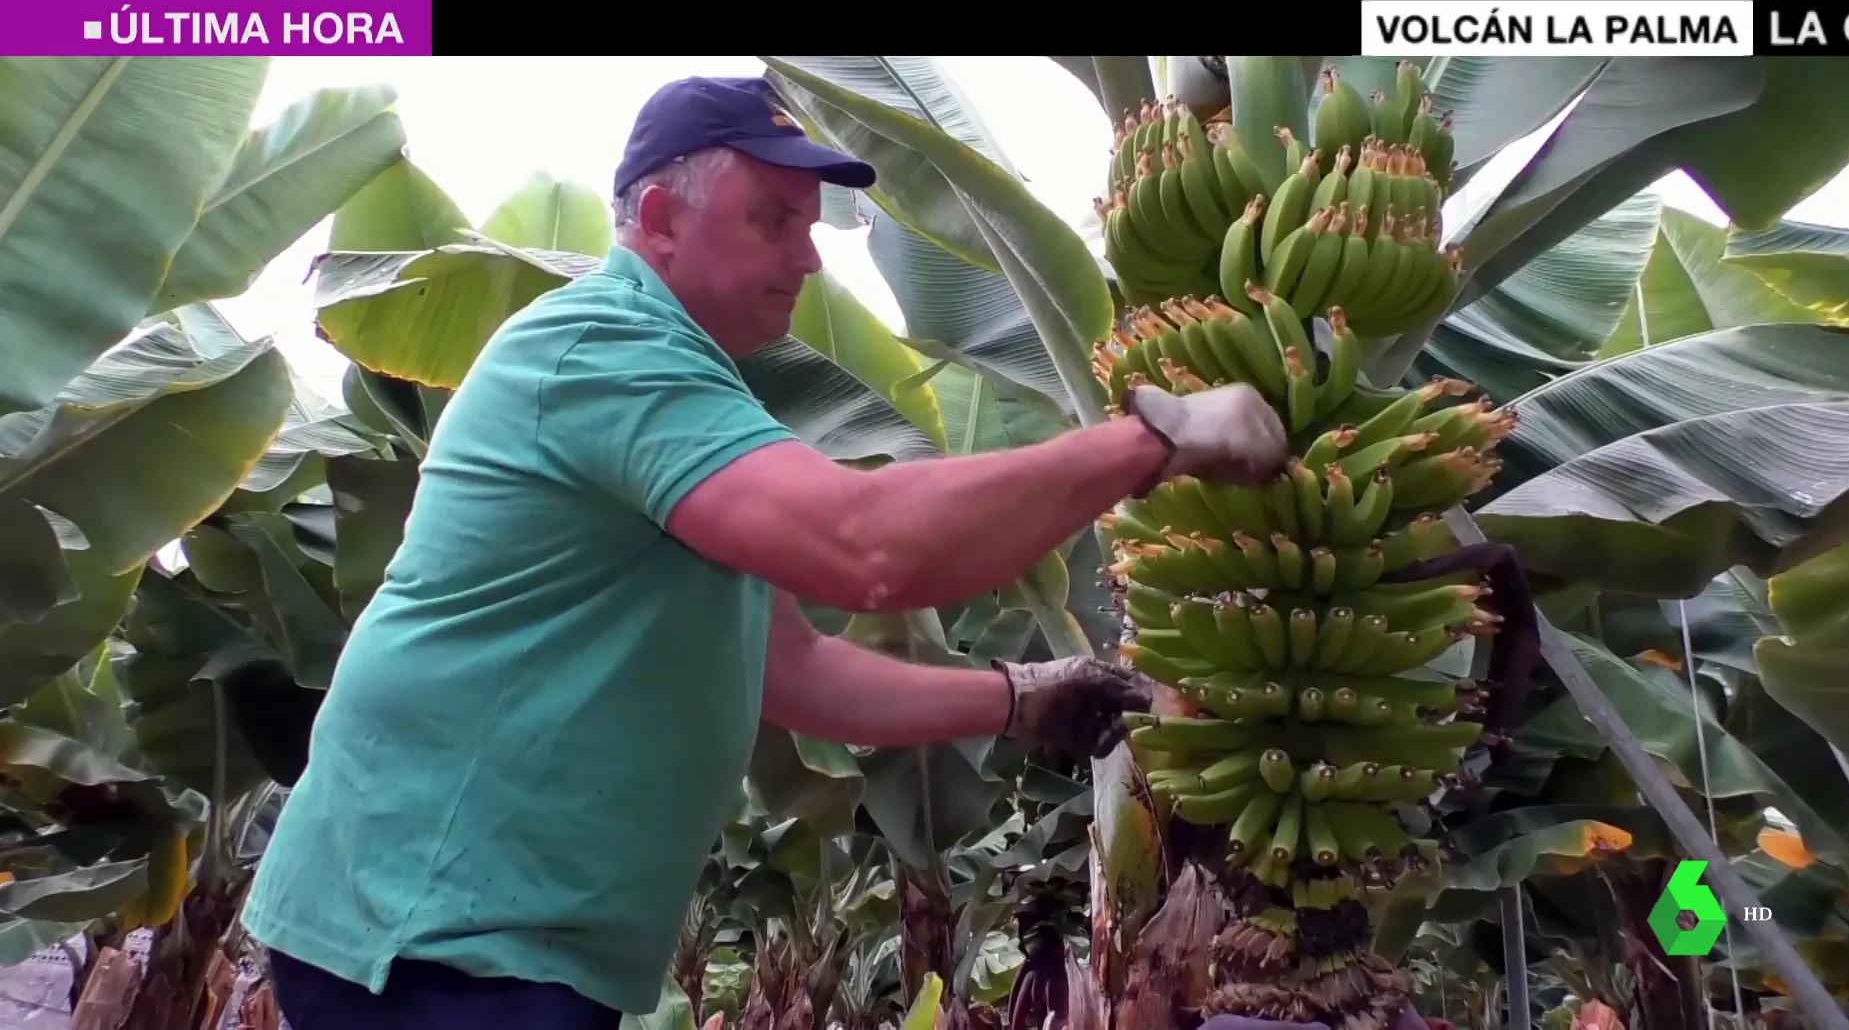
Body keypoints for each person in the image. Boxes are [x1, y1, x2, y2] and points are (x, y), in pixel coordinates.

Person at [239, 75, 1292, 1030]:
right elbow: (865, 546)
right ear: (659, 217)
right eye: (775, 220)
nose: (805, 256)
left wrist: (1019, 697)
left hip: (507, 942)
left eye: (811, 225)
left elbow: (798, 672)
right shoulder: (601, 348)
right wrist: (1155, 441)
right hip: (434, 935)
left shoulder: (693, 407)